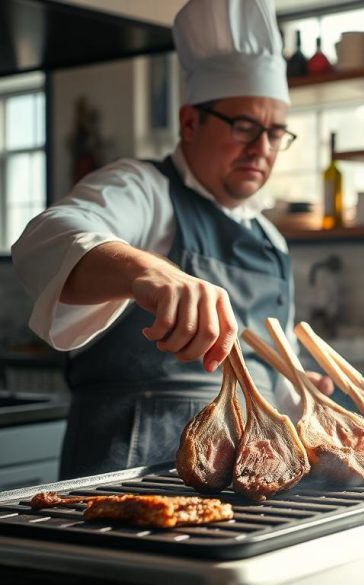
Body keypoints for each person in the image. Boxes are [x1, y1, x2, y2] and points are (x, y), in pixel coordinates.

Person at [12, 0, 328, 479]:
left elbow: (270, 368)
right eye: (245, 126)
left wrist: (295, 384)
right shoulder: (144, 189)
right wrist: (149, 272)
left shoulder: (270, 241)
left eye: (275, 132)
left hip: (246, 478)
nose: (262, 148)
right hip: (126, 470)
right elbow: (47, 237)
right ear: (189, 123)